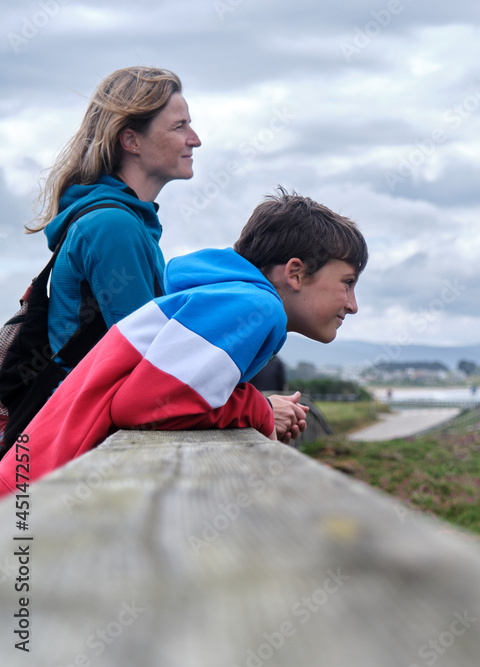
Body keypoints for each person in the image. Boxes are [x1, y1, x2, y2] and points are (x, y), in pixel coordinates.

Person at [0, 188, 367, 496]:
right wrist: (259, 409)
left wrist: (255, 406)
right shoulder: (256, 307)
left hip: (33, 479)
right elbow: (141, 405)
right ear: (296, 273)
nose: (352, 305)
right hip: (36, 497)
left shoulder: (224, 299)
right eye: (347, 283)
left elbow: (163, 394)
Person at [29, 66, 201, 367]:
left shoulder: (123, 222)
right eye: (179, 127)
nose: (195, 139)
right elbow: (149, 366)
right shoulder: (112, 226)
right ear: (131, 141)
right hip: (94, 402)